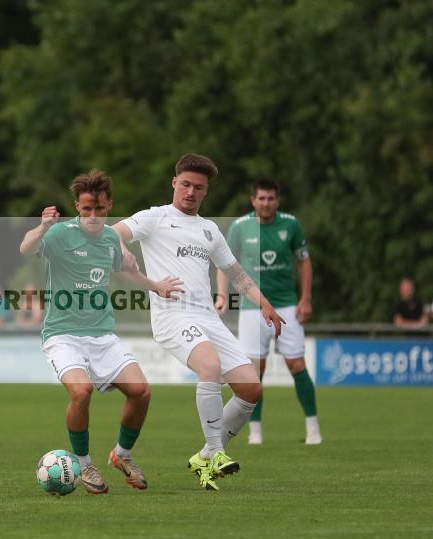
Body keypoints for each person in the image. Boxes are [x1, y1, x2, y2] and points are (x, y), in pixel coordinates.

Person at [114, 154, 284, 491]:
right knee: (210, 366)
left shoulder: (209, 230)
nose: (191, 191)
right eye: (186, 184)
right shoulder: (155, 217)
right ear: (174, 183)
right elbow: (114, 233)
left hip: (208, 318)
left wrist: (264, 303)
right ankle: (219, 452)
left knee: (250, 388)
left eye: (199, 187)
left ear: (206, 192)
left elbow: (235, 273)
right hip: (172, 315)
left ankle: (205, 455)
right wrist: (123, 248)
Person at [20, 169, 182, 493]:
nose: (93, 216)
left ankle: (122, 455)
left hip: (102, 335)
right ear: (77, 207)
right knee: (81, 392)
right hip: (62, 334)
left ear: (109, 206)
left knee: (142, 392)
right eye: (86, 209)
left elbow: (127, 272)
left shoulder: (111, 238)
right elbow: (25, 248)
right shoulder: (59, 235)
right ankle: (83, 464)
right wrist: (42, 226)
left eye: (100, 209)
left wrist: (155, 286)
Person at [216, 178, 320, 445]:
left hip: (286, 304)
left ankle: (313, 429)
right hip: (252, 308)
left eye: (270, 198)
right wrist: (222, 295)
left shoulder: (291, 224)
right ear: (253, 200)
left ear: (278, 200)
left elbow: (304, 262)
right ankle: (256, 433)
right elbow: (225, 263)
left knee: (296, 364)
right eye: (261, 198)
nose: (265, 203)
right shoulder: (240, 227)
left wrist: (306, 299)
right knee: (254, 372)